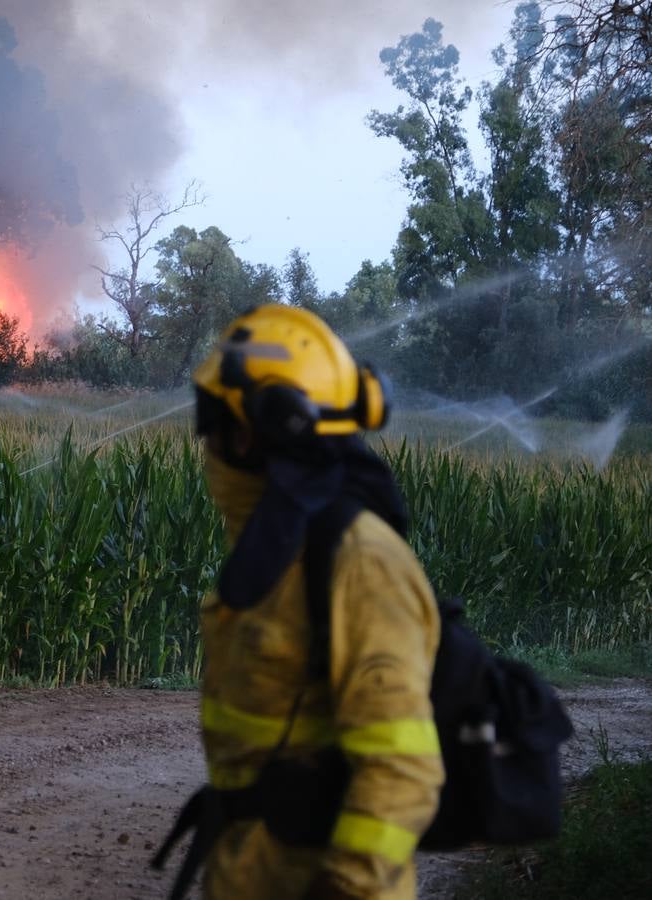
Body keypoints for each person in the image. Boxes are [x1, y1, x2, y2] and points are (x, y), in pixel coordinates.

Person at [188, 304, 443, 899]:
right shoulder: (278, 548)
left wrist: (345, 889)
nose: (208, 443)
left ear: (258, 431)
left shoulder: (359, 562)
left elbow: (402, 768)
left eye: (214, 422)